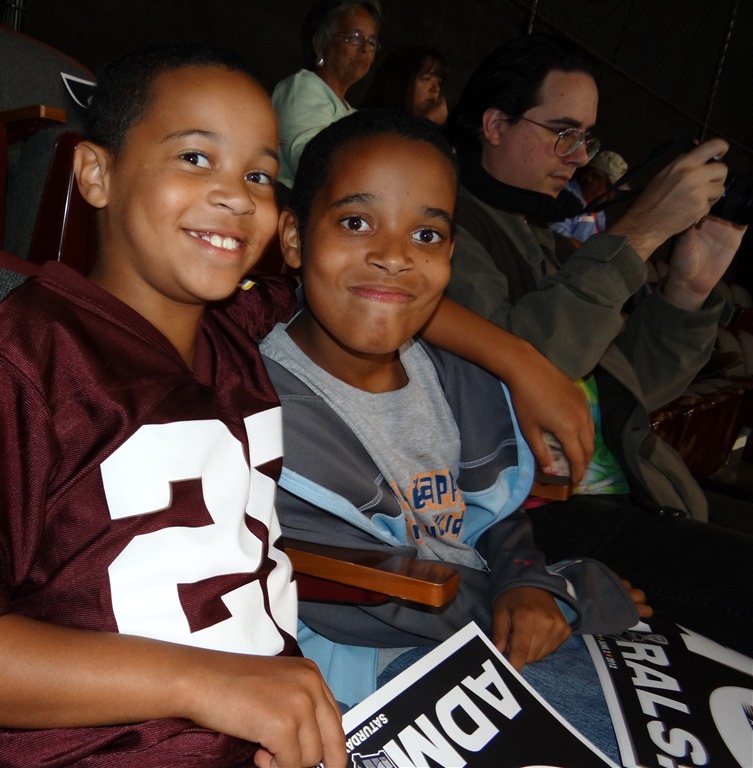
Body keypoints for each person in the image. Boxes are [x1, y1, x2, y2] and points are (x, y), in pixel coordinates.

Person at [0, 43, 348, 768]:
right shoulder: (19, 367)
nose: (236, 195)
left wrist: (507, 357)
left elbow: (360, 279)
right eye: (195, 158)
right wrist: (205, 683)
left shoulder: (233, 327)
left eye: (258, 174)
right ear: (97, 174)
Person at [259, 108, 646, 761]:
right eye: (356, 223)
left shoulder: (453, 377)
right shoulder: (264, 410)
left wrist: (526, 580)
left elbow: (491, 512)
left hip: (476, 620)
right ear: (294, 237)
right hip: (356, 674)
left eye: (426, 235)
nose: (394, 256)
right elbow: (382, 598)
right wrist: (564, 594)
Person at [444, 33, 753, 654]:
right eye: (563, 132)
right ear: (495, 125)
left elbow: (631, 390)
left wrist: (687, 291)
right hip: (527, 520)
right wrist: (636, 235)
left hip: (628, 493)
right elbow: (520, 373)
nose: (579, 157)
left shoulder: (548, 241)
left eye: (586, 137)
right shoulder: (444, 228)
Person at [272, 0, 382, 194]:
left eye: (371, 42)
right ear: (321, 45)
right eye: (355, 37)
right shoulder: (302, 88)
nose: (365, 48)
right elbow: (311, 167)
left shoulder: (352, 113)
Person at [551, 149, 631, 242]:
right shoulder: (563, 198)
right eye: (609, 187)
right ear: (592, 176)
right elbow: (559, 239)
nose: (611, 195)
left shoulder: (598, 210)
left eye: (615, 191)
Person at [361, 44, 449, 125]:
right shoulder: (371, 124)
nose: (436, 89)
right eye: (426, 79)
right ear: (400, 83)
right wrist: (429, 122)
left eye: (438, 82)